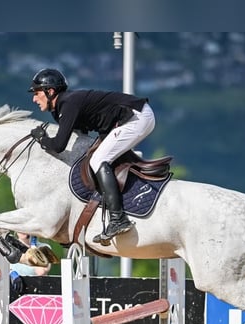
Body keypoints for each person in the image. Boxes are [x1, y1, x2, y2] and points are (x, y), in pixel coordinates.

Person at [27, 67, 156, 245]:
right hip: (130, 118)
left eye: (36, 93)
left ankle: (118, 219)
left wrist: (42, 139)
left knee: (98, 160)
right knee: (97, 157)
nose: (34, 98)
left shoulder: (68, 103)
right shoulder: (62, 108)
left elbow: (58, 145)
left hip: (135, 117)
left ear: (50, 91)